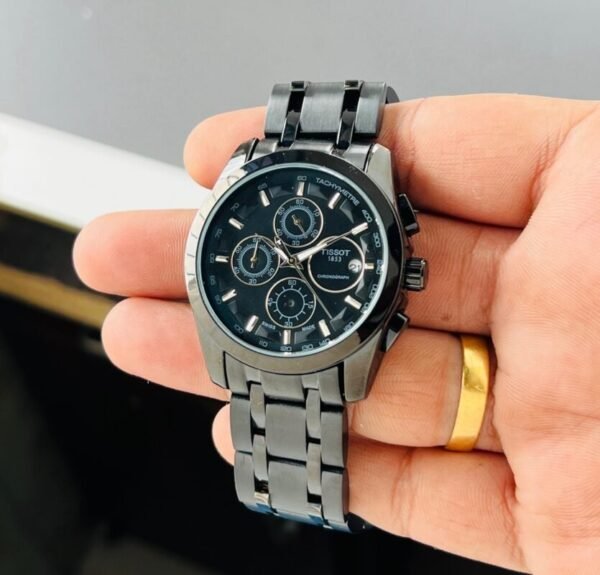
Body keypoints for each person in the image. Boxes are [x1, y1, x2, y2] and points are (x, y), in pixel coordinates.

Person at [72, 94, 600, 574]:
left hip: (314, 342)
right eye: (283, 255)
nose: (293, 261)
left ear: (407, 274)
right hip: (246, 342)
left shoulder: (371, 172)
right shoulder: (243, 195)